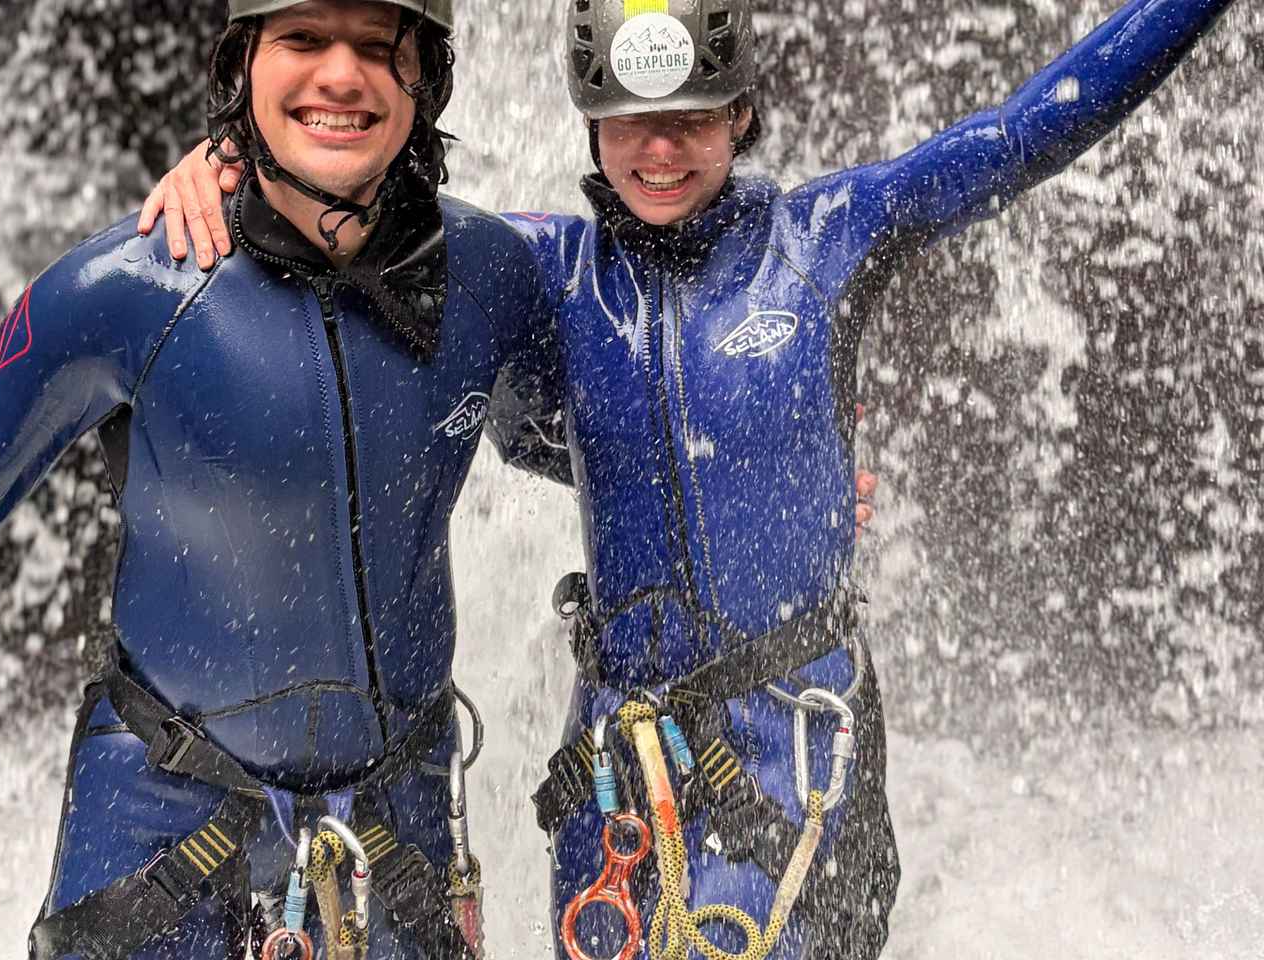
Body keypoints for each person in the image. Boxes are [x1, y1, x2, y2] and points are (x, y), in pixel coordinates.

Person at [148, 0, 1243, 957]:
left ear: (742, 114)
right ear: (591, 121)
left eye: (690, 117)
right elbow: (336, 204)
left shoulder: (827, 237)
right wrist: (227, 164)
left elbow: (1032, 126)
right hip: (616, 760)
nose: (659, 149)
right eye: (631, 120)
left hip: (799, 749)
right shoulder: (534, 268)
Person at [0, 1, 561, 957]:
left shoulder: (496, 276)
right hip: (155, 824)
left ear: (431, 77)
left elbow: (593, 447)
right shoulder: (122, 293)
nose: (342, 76)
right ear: (240, 64)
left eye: (380, 47)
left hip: (393, 832)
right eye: (302, 40)